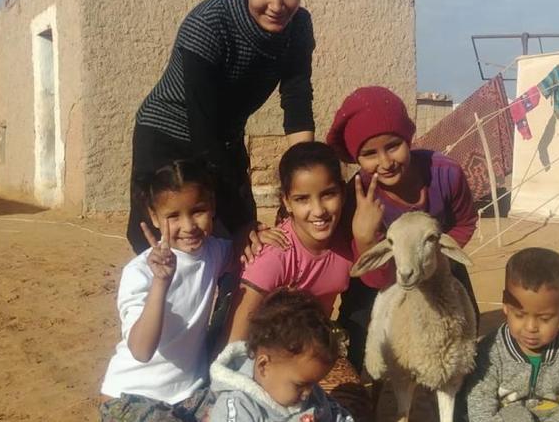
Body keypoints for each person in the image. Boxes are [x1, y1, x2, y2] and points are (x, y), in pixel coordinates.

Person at [127, 0, 316, 258]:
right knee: (168, 238)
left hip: (225, 136)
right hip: (168, 133)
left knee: (238, 246)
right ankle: (157, 305)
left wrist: (305, 179)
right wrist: (240, 220)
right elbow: (203, 132)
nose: (276, 4)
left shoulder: (299, 27)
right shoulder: (209, 25)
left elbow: (297, 100)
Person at [325, 85, 480, 370]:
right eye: (370, 154)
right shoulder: (356, 198)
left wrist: (434, 258)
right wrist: (364, 236)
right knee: (360, 335)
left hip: (434, 259)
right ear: (356, 160)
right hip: (382, 268)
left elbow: (465, 221)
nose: (385, 162)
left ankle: (459, 398)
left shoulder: (446, 175)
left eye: (393, 146)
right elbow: (373, 277)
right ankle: (363, 398)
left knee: (466, 322)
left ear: (408, 139)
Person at [224, 141, 376, 420]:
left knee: (355, 408)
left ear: (342, 193)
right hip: (272, 360)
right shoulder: (275, 254)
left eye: (328, 194)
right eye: (302, 199)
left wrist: (366, 239)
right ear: (286, 201)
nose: (318, 211)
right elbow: (235, 341)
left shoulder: (347, 242)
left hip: (314, 355)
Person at [100, 159, 233, 422]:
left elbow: (243, 250)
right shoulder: (139, 272)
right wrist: (160, 283)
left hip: (191, 395)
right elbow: (141, 350)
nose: (188, 226)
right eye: (173, 216)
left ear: (212, 206)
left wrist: (250, 231)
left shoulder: (215, 252)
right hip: (132, 397)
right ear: (153, 217)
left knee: (243, 409)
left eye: (198, 211)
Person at [460, 248, 559, 422]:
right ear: (506, 304)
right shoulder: (490, 350)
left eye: (544, 319)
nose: (530, 327)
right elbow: (480, 406)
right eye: (520, 315)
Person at [209, 288, 354, 421]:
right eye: (300, 385)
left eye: (313, 383)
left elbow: (338, 416)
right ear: (264, 366)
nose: (307, 393)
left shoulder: (311, 393)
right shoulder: (239, 407)